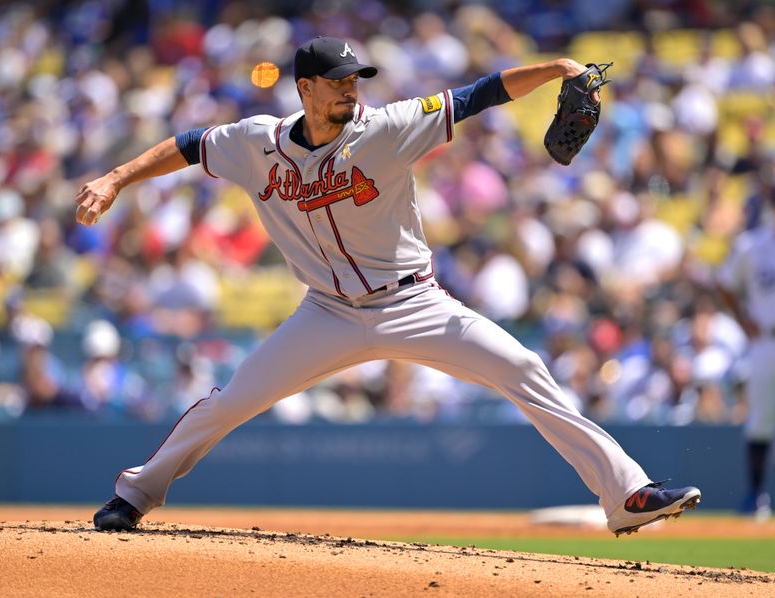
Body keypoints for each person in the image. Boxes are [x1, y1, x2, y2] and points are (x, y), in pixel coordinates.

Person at [77, 37, 701, 536]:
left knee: (522, 366)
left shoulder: (388, 126)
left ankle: (626, 494)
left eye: (356, 79)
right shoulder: (254, 143)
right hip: (325, 313)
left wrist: (556, 68)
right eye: (339, 81)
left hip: (413, 301)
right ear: (306, 88)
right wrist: (115, 178)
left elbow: (477, 95)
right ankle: (136, 494)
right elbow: (188, 146)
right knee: (232, 399)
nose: (352, 89)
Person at [716, 193, 775, 521]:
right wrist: (742, 319)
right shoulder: (752, 245)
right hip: (766, 340)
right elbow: (724, 283)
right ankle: (756, 497)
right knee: (761, 421)